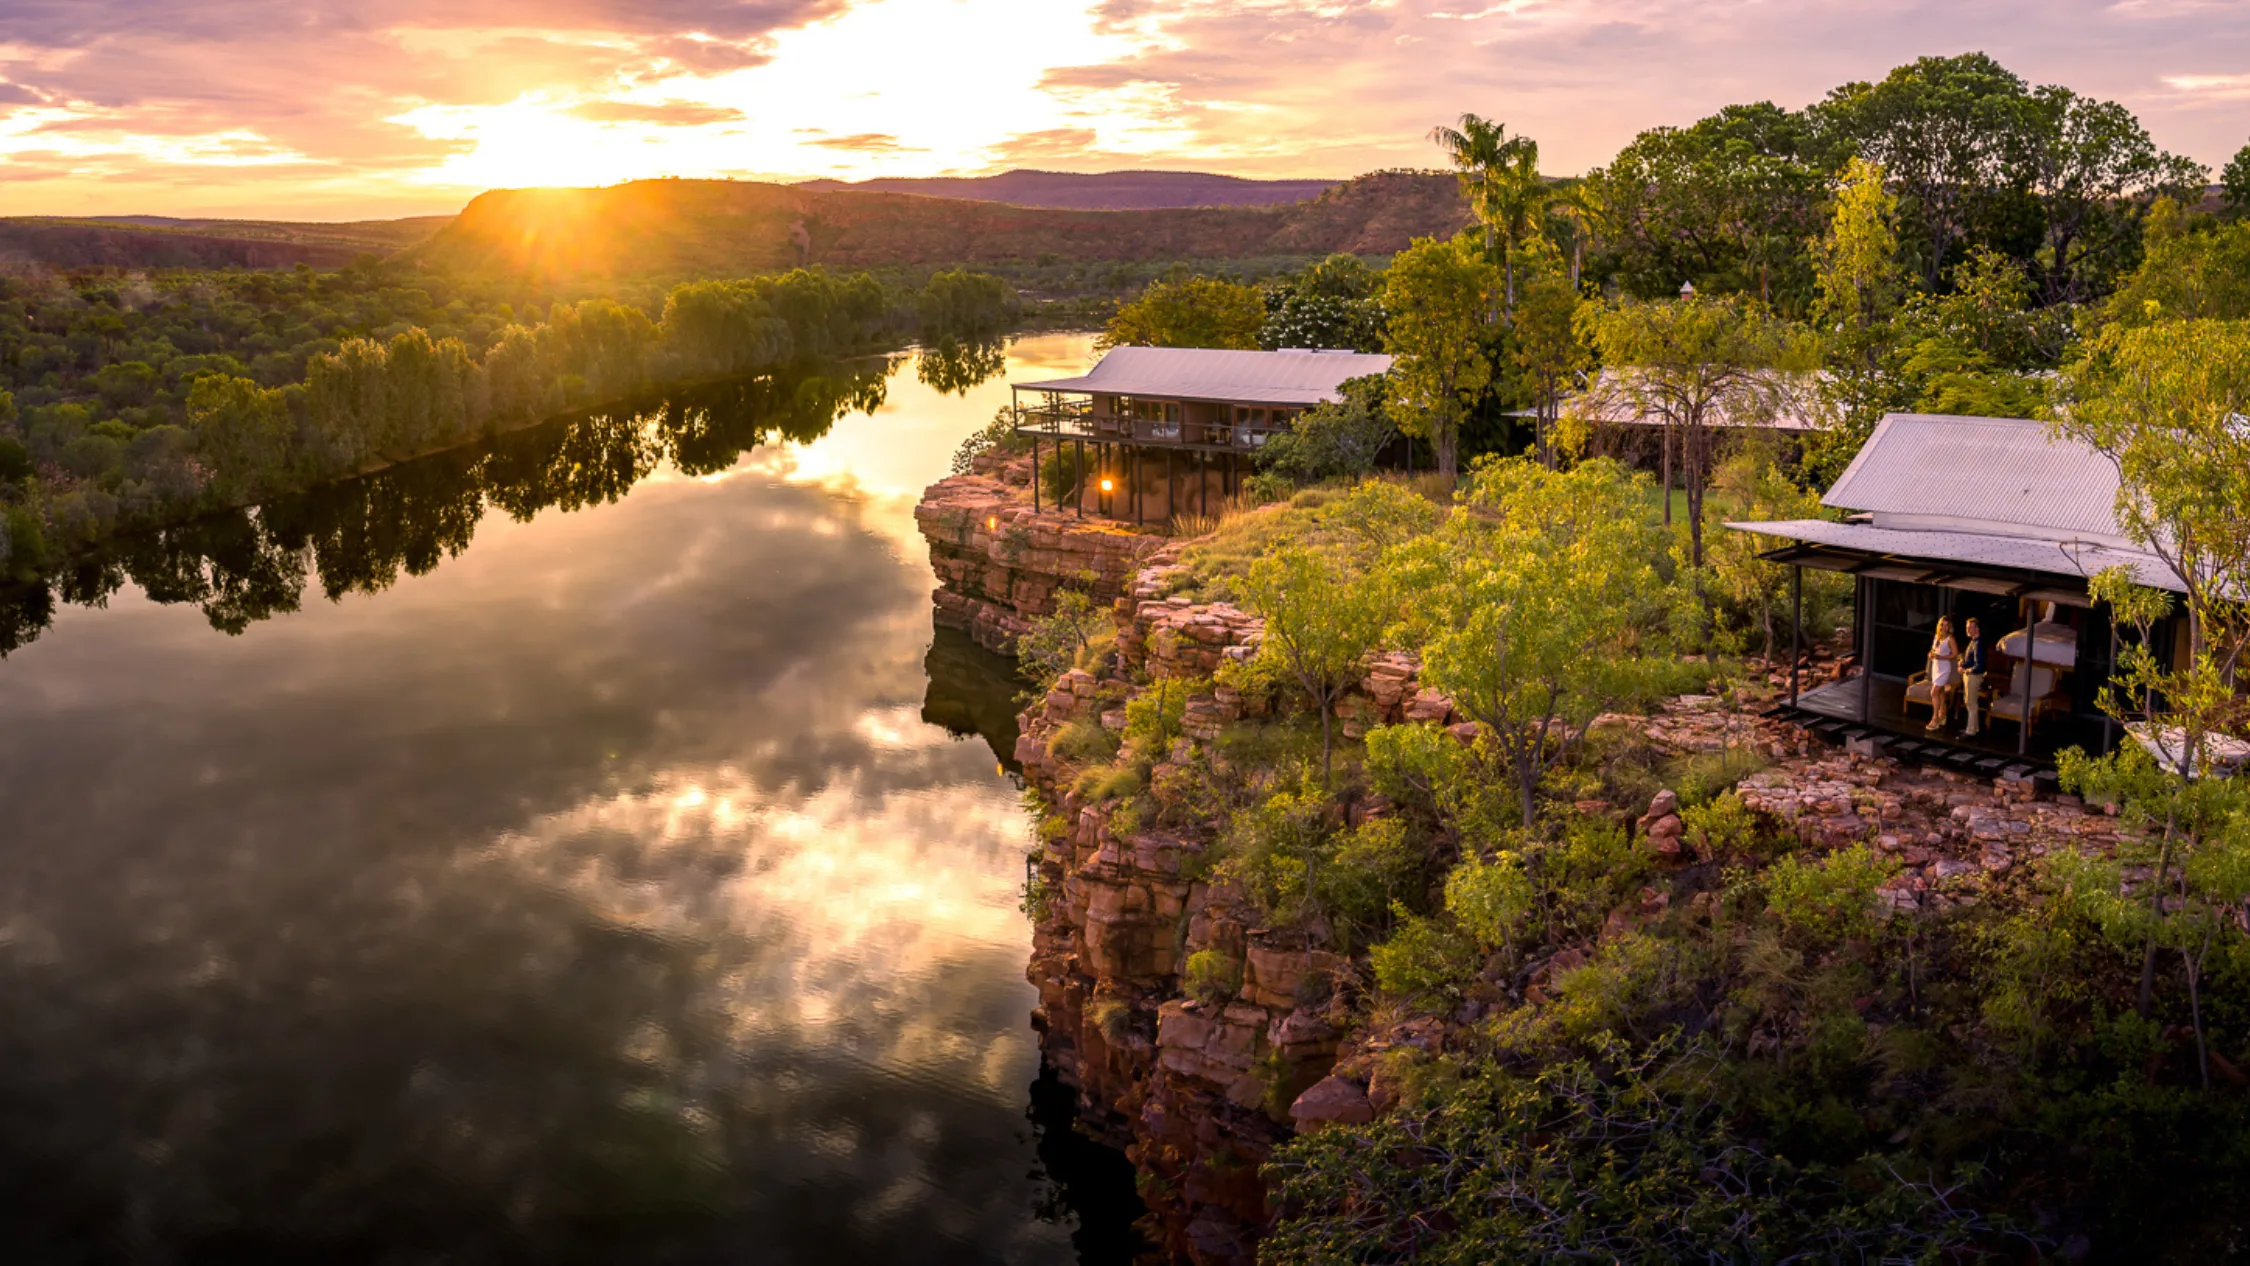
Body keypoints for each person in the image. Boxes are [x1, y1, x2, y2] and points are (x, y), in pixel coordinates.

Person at [1925, 616, 1959, 731]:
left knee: (1934, 692)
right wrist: (1930, 654)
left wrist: (1942, 657)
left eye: (1946, 625)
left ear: (1949, 627)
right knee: (1940, 692)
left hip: (1944, 668)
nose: (1943, 627)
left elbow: (1955, 654)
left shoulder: (1950, 639)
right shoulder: (1936, 637)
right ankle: (1942, 715)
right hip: (1936, 666)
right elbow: (1932, 650)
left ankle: (1934, 719)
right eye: (1941, 625)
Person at [1959, 616, 1987, 737]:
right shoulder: (1973, 642)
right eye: (1967, 627)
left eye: (1971, 627)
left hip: (1973, 676)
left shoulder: (1978, 644)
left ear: (1977, 628)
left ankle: (1971, 730)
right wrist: (1963, 663)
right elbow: (1970, 660)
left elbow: (1979, 665)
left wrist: (1966, 670)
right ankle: (1974, 728)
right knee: (1969, 702)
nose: (1968, 629)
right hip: (1969, 675)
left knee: (1971, 703)